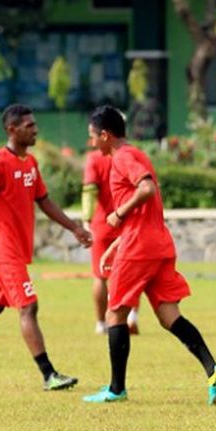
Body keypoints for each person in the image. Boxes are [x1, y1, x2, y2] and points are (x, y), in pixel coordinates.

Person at [81, 106, 216, 404]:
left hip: (140, 248)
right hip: (156, 243)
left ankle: (116, 389)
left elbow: (146, 189)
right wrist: (117, 241)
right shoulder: (134, 153)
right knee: (168, 315)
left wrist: (119, 214)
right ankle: (214, 370)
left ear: (105, 135)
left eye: (92, 137)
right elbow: (146, 205)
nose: (91, 143)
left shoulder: (122, 158)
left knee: (115, 313)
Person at [0, 104, 91, 390]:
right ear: (12, 130)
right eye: (29, 126)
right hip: (3, 249)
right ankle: (49, 374)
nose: (35, 129)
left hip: (16, 248)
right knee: (29, 306)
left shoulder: (30, 163)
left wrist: (74, 228)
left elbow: (43, 200)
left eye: (35, 124)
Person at [82, 139, 139, 335]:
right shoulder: (129, 156)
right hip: (127, 222)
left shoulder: (94, 159)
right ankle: (131, 318)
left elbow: (89, 190)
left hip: (101, 223)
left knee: (100, 276)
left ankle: (100, 323)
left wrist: (86, 218)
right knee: (131, 273)